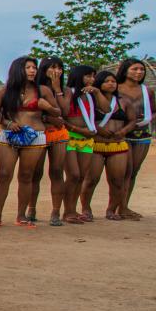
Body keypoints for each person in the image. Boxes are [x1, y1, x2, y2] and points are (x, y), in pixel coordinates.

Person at [0, 57, 59, 228]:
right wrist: (8, 123)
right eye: (28, 67)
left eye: (34, 67)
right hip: (10, 135)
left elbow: (57, 113)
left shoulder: (43, 91)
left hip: (36, 135)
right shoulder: (4, 92)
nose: (32, 70)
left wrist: (47, 107)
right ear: (18, 70)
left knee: (27, 176)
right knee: (4, 174)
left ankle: (21, 215)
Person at [80, 69, 135, 221]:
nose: (111, 84)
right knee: (91, 179)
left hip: (117, 145)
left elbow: (132, 121)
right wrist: (98, 129)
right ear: (99, 83)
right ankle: (86, 209)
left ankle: (111, 210)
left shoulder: (124, 101)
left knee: (117, 180)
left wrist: (123, 131)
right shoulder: (90, 100)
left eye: (113, 81)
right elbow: (83, 118)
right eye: (107, 81)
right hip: (96, 144)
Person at [25, 58, 69, 225]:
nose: (56, 71)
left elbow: (63, 111)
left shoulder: (66, 90)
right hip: (39, 132)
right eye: (52, 67)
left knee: (57, 172)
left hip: (58, 134)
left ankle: (56, 212)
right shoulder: (34, 89)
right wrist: (47, 116)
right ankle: (31, 209)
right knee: (35, 173)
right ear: (43, 70)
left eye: (59, 67)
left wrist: (57, 89)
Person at [116, 58, 156, 219]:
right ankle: (115, 206)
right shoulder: (115, 89)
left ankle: (124, 206)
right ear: (125, 70)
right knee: (122, 172)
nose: (139, 72)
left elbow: (154, 111)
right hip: (121, 134)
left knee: (133, 172)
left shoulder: (148, 91)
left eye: (141, 69)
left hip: (142, 135)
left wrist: (146, 119)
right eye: (134, 69)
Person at [61, 65, 99, 223]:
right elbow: (61, 116)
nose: (91, 80)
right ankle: (67, 211)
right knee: (73, 175)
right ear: (78, 76)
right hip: (70, 137)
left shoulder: (91, 95)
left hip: (87, 140)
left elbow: (107, 108)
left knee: (82, 176)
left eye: (93, 76)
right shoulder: (67, 92)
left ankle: (74, 209)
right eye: (88, 76)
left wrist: (96, 91)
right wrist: (78, 129)